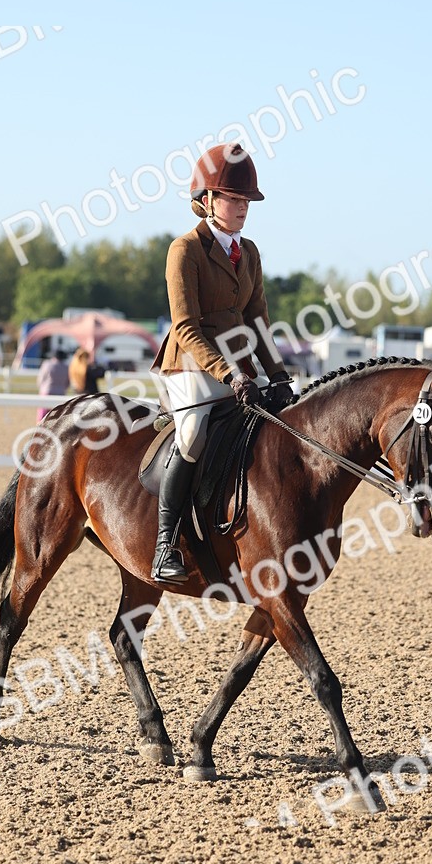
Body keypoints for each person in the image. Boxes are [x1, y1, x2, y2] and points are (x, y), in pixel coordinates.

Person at [150, 142, 293, 584]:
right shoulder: (185, 250)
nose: (241, 207)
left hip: (239, 370)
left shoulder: (248, 252)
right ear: (206, 200)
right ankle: (165, 544)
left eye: (246, 200)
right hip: (191, 366)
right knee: (193, 435)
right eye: (232, 198)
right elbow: (186, 328)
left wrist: (279, 374)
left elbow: (258, 322)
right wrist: (230, 373)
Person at [36, 348, 69, 421]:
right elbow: (67, 382)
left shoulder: (47, 364)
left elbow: (41, 379)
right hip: (60, 393)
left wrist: (41, 387)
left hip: (47, 391)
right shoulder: (66, 367)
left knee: (43, 415)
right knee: (58, 415)